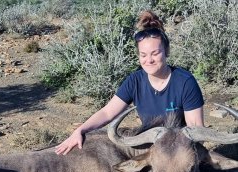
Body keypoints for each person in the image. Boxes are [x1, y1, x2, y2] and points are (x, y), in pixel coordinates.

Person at [55, 10, 204, 156]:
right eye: (143, 55)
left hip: (178, 148)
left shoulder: (185, 82)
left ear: (166, 51)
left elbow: (195, 130)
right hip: (149, 146)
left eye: (155, 53)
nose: (149, 60)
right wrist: (79, 131)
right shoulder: (135, 80)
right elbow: (107, 112)